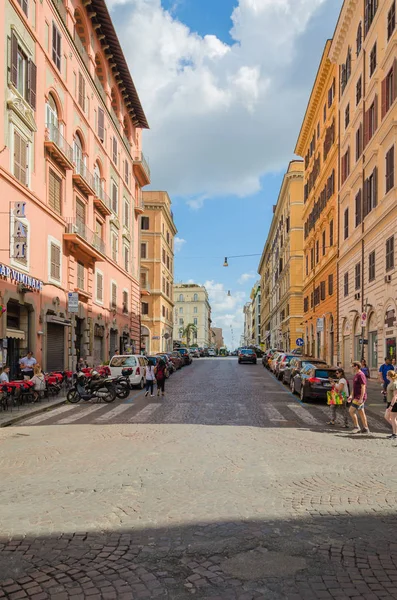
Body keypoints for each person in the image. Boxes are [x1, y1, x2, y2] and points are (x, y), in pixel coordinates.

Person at [348, 361, 369, 434]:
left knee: (351, 411)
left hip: (359, 397)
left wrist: (361, 398)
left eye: (352, 366)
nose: (352, 368)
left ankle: (356, 427)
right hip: (356, 396)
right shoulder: (356, 375)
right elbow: (354, 387)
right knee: (361, 413)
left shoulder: (361, 375)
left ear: (356, 366)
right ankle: (366, 428)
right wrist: (351, 395)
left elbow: (363, 387)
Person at [384, 370, 397, 439]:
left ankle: (395, 434)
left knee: (393, 418)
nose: (386, 376)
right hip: (389, 402)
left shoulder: (395, 384)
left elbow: (395, 396)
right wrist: (385, 393)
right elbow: (390, 393)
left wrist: (391, 406)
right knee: (386, 416)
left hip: (394, 403)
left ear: (390, 376)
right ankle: (395, 430)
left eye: (387, 375)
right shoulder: (390, 383)